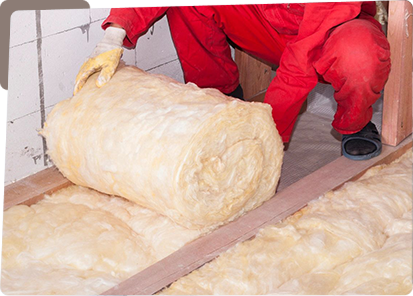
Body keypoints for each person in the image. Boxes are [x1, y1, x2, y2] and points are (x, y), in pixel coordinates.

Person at [74, 2, 390, 161]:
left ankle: (354, 123)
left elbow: (300, 61)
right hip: (265, 23)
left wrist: (266, 134)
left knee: (360, 55)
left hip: (330, 32)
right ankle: (220, 96)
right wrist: (114, 34)